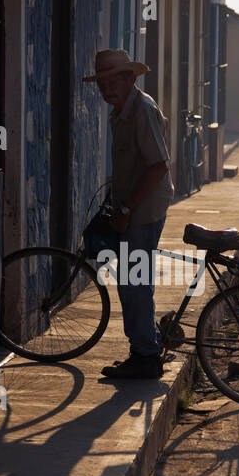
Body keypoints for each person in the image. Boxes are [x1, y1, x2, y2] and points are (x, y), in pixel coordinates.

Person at [84, 49, 175, 379]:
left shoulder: (141, 110)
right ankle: (149, 342)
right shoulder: (122, 110)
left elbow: (157, 166)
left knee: (134, 282)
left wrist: (125, 208)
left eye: (113, 81)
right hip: (132, 205)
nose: (107, 88)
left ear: (130, 79)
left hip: (143, 209)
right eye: (101, 83)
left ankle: (146, 356)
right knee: (133, 280)